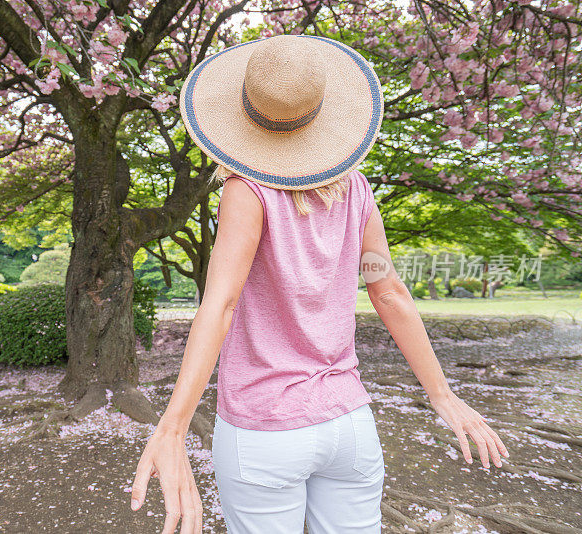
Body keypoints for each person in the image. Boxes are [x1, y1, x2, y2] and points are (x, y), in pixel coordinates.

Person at [130, 34, 509, 534]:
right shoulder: (356, 187)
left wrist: (173, 426)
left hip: (264, 429)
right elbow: (387, 288)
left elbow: (220, 305)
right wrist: (440, 393)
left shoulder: (245, 192)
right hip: (347, 423)